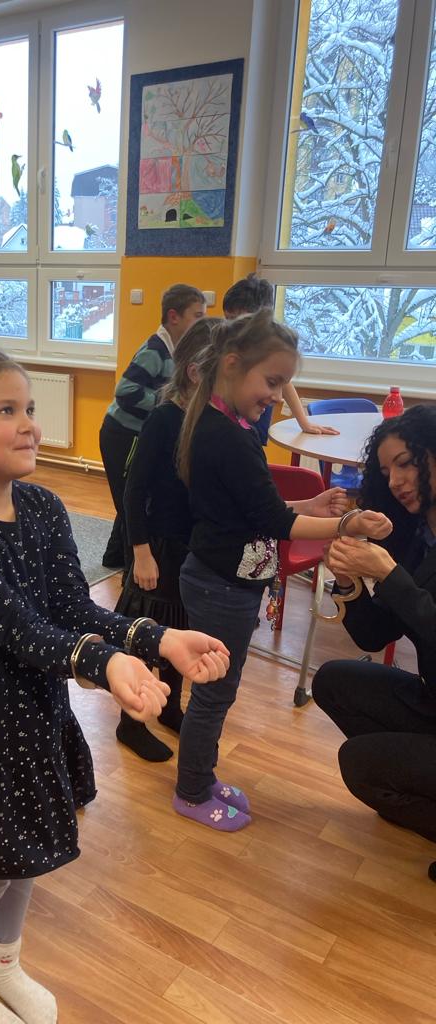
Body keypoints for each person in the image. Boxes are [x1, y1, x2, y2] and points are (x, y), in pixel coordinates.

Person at [0, 346, 230, 1024]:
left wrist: (157, 638)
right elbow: (23, 631)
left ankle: (4, 966)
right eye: (6, 410)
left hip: (33, 715)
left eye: (29, 408)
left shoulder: (44, 507)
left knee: (24, 858)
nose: (29, 424)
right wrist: (106, 666)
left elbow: (74, 610)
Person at [173, 310, 393, 832]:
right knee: (214, 693)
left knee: (218, 690)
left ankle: (200, 777)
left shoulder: (232, 424)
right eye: (271, 382)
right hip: (220, 586)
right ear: (232, 364)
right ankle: (192, 791)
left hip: (226, 577)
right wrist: (346, 523)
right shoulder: (226, 435)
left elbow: (255, 509)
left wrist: (310, 505)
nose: (276, 395)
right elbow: (276, 521)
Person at [313, 405, 436, 880]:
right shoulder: (419, 537)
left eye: (406, 463)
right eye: (387, 472)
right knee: (333, 681)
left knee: (359, 765)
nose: (397, 481)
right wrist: (348, 581)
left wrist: (388, 575)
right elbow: (373, 634)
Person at [114, 317, 220, 762]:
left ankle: (171, 706)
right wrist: (140, 553)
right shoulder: (162, 419)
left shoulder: (207, 419)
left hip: (186, 548)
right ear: (196, 374)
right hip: (156, 546)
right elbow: (133, 491)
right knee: (148, 636)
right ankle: (131, 722)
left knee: (180, 630)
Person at [100, 284, 206, 569]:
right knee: (130, 501)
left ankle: (113, 557)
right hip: (121, 435)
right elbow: (126, 391)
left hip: (139, 433)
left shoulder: (177, 352)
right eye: (197, 316)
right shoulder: (154, 350)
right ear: (174, 317)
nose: (202, 322)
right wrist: (167, 403)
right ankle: (131, 570)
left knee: (131, 498)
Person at [222, 273, 339, 445]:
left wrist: (304, 422)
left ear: (261, 319)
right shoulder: (228, 344)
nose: (231, 326)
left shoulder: (268, 344)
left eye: (237, 320)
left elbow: (284, 382)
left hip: (254, 416)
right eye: (228, 319)